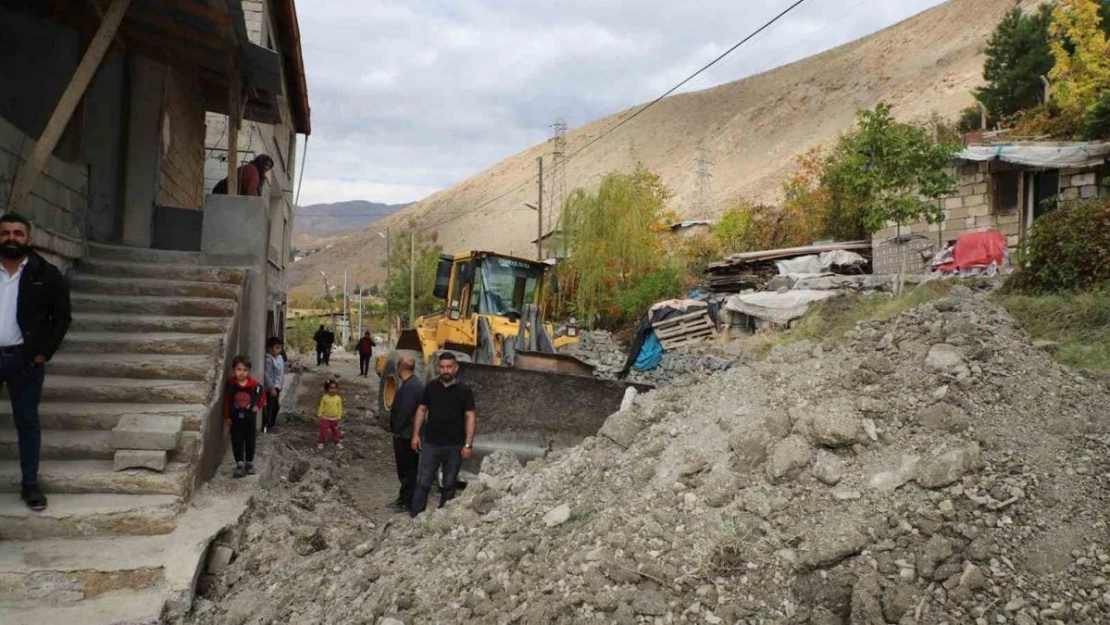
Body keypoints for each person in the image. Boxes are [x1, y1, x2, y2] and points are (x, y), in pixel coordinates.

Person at [0, 213, 71, 512]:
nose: (12, 238)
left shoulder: (46, 273)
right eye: (5, 233)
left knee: (27, 423)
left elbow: (62, 317)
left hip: (25, 359)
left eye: (18, 233)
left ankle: (30, 485)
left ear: (28, 239)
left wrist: (44, 351)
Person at [410, 352, 476, 517]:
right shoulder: (431, 387)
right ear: (438, 368)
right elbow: (421, 410)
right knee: (423, 483)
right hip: (431, 444)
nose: (445, 370)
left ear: (456, 368)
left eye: (449, 367)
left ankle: (442, 518)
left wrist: (468, 444)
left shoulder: (464, 391)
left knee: (449, 485)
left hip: (454, 446)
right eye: (442, 367)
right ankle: (415, 517)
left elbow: (470, 417)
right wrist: (416, 435)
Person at [389, 355, 424, 513]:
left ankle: (407, 501)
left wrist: (396, 428)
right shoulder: (412, 384)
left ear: (399, 367)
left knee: (407, 470)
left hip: (406, 435)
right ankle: (403, 498)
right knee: (405, 469)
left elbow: (406, 410)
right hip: (406, 433)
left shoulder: (411, 386)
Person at [224, 355, 266, 478]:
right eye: (239, 369)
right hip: (235, 418)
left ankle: (249, 463)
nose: (242, 373)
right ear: (234, 370)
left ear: (249, 371)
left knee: (250, 440)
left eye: (245, 370)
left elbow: (261, 395)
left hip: (249, 419)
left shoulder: (254, 385)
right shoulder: (231, 384)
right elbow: (227, 401)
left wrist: (257, 406)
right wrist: (227, 416)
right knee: (237, 440)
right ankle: (239, 463)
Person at [263, 337, 285, 433]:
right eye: (276, 348)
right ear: (270, 348)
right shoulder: (268, 359)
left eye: (280, 348)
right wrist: (271, 388)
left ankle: (272, 425)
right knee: (271, 406)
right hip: (271, 388)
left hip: (278, 386)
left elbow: (281, 373)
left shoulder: (280, 358)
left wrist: (279, 386)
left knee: (276, 406)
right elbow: (267, 375)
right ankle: (269, 426)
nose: (279, 350)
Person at [317, 379, 344, 450]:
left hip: (334, 418)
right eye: (331, 388)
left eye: (335, 388)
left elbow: (340, 408)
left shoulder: (338, 398)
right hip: (325, 417)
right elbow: (321, 406)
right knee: (323, 430)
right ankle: (321, 442)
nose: (333, 390)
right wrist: (319, 415)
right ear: (327, 389)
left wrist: (339, 416)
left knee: (335, 430)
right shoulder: (325, 397)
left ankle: (337, 441)